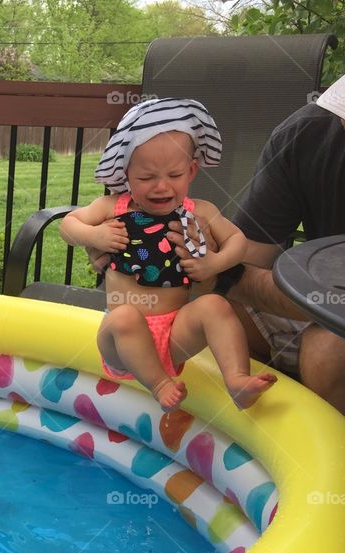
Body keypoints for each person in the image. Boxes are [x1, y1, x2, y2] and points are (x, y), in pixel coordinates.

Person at [205, 19, 345, 465]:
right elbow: (244, 256)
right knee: (208, 309)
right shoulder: (308, 133)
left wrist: (224, 274)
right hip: (331, 313)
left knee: (331, 352)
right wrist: (178, 253)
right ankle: (259, 464)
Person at [60, 98, 277, 412]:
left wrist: (213, 262)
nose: (161, 187)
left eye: (174, 175)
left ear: (191, 170)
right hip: (120, 340)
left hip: (175, 332)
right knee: (125, 317)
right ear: (126, 174)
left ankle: (236, 379)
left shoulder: (199, 211)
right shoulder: (113, 207)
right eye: (147, 178)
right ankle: (160, 384)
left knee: (215, 305)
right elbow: (68, 225)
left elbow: (237, 241)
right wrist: (94, 235)